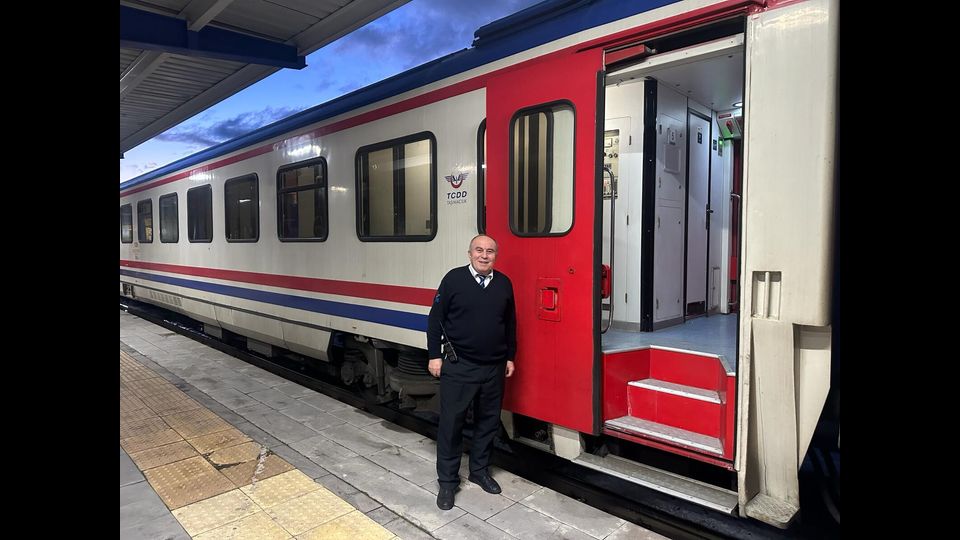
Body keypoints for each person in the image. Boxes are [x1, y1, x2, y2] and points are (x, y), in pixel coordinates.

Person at [427, 234, 517, 510]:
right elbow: (435, 319)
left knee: (488, 422)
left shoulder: (503, 283)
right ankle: (447, 483)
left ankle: (479, 471)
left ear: (495, 256)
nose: (484, 255)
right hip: (459, 365)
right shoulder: (453, 280)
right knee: (451, 425)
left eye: (490, 251)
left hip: (493, 367)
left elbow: (511, 323)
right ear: (469, 253)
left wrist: (510, 357)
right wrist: (434, 355)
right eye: (479, 250)